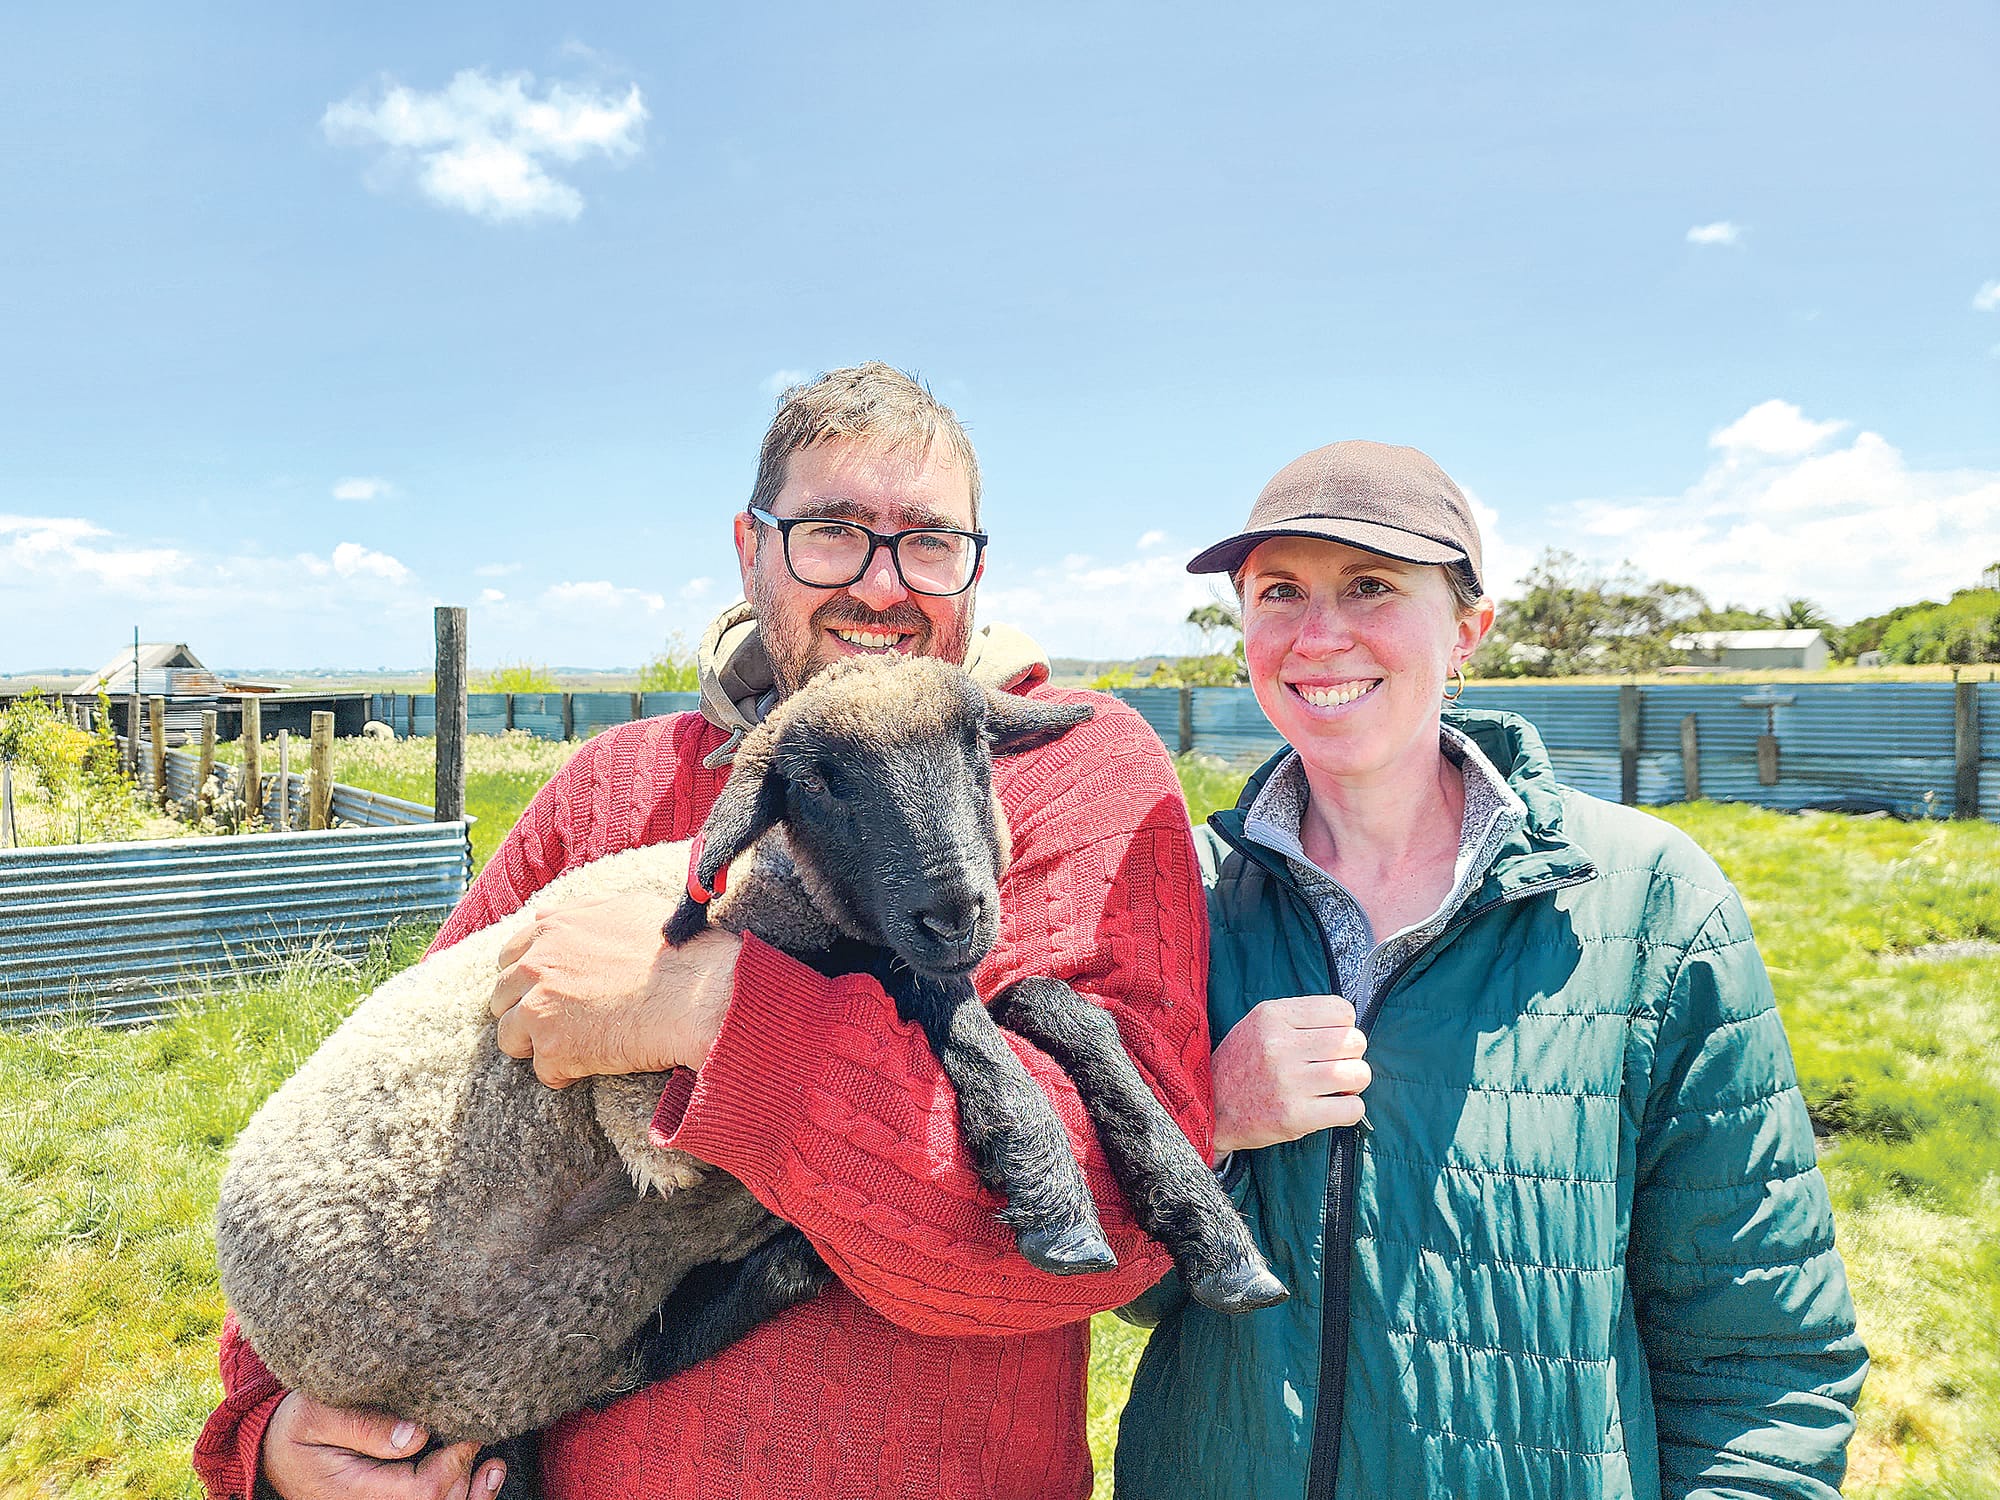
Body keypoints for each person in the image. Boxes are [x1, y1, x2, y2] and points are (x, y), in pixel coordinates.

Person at [195, 364, 1217, 1500]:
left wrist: (711, 1013)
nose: (881, 587)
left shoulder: (1071, 775)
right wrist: (280, 1427)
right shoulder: (611, 787)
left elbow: (1101, 1237)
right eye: (830, 530)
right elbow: (378, 1113)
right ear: (750, 546)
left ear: (976, 561)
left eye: (928, 542)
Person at [1114, 441, 1867, 1498]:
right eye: (1276, 591)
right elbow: (1123, 1291)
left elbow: (1763, 1360)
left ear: (1468, 629)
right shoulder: (1176, 901)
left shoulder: (1649, 904)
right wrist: (1202, 1121)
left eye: (1369, 586)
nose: (1317, 635)